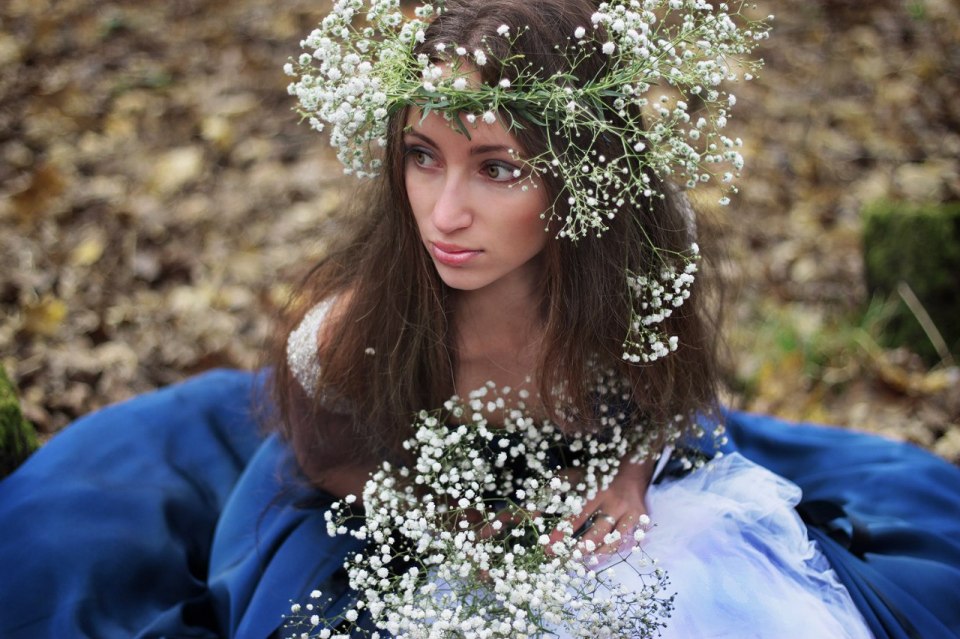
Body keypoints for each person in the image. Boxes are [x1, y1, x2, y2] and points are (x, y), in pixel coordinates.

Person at [1, 1, 959, 638]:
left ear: (585, 179)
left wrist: (627, 481)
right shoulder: (357, 330)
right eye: (423, 156)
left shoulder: (634, 292)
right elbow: (325, 456)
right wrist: (457, 521)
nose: (445, 213)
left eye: (497, 167)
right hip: (393, 509)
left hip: (576, 503)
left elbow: (667, 394)